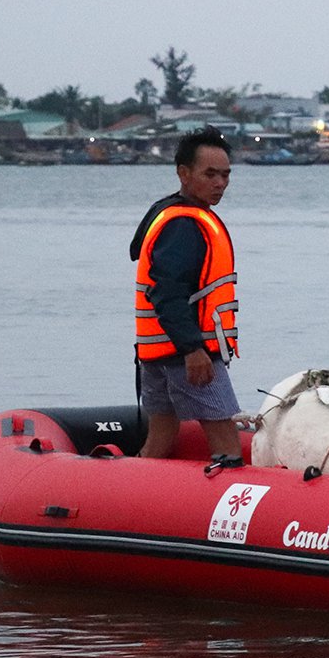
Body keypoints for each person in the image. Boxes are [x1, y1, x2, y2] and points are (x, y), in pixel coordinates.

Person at [132, 128, 244, 461]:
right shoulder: (184, 225)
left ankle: (136, 501)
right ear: (183, 173)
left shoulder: (166, 212)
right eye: (210, 174)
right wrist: (193, 349)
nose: (220, 183)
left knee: (161, 437)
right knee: (226, 442)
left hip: (156, 353)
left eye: (225, 175)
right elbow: (167, 292)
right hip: (189, 354)